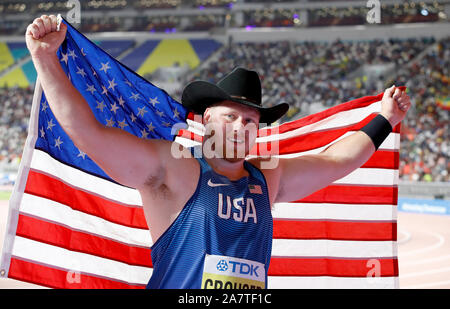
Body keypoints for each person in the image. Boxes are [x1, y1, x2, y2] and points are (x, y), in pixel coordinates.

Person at [25, 15, 411, 289]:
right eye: (232, 117)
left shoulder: (266, 176)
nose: (243, 127)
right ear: (208, 119)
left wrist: (384, 119)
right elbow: (88, 134)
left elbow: (336, 160)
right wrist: (45, 60)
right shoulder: (173, 167)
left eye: (251, 121)